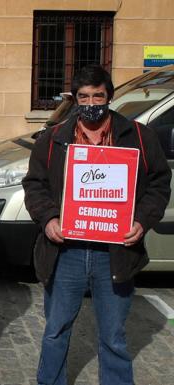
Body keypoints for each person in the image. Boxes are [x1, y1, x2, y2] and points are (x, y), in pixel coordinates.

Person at [22, 64, 171, 385]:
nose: (91, 104)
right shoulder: (53, 139)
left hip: (114, 253)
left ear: (110, 96)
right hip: (66, 253)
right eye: (84, 97)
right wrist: (48, 219)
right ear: (75, 99)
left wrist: (143, 222)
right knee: (55, 331)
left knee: (114, 337)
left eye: (98, 96)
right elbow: (34, 185)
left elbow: (159, 183)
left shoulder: (138, 136)